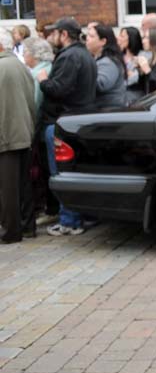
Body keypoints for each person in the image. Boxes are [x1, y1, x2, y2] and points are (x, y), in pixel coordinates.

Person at [37, 17, 97, 237]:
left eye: (54, 33)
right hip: (77, 121)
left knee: (62, 174)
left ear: (63, 35)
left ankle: (70, 221)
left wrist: (43, 80)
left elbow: (59, 89)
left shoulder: (70, 56)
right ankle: (80, 217)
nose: (51, 37)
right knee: (74, 172)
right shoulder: (84, 55)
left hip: (62, 123)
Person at [0, 29, 36, 243]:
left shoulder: (3, 66)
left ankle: (11, 231)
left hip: (6, 135)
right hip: (22, 131)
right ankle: (27, 225)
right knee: (23, 184)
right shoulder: (20, 65)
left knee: (7, 188)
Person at [21, 36, 55, 226]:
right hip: (44, 126)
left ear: (34, 54)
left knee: (45, 169)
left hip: (42, 128)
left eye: (26, 52)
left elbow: (35, 103)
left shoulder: (38, 73)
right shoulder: (44, 69)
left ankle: (51, 208)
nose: (24, 55)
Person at [86, 24, 127, 109]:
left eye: (91, 36)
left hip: (108, 112)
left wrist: (81, 75)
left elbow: (100, 85)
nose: (87, 39)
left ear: (103, 41)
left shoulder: (108, 62)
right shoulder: (99, 59)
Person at [118, 27, 145, 104]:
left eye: (122, 36)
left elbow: (136, 78)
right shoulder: (118, 56)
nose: (119, 38)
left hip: (135, 96)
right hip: (120, 95)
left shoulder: (142, 56)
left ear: (131, 38)